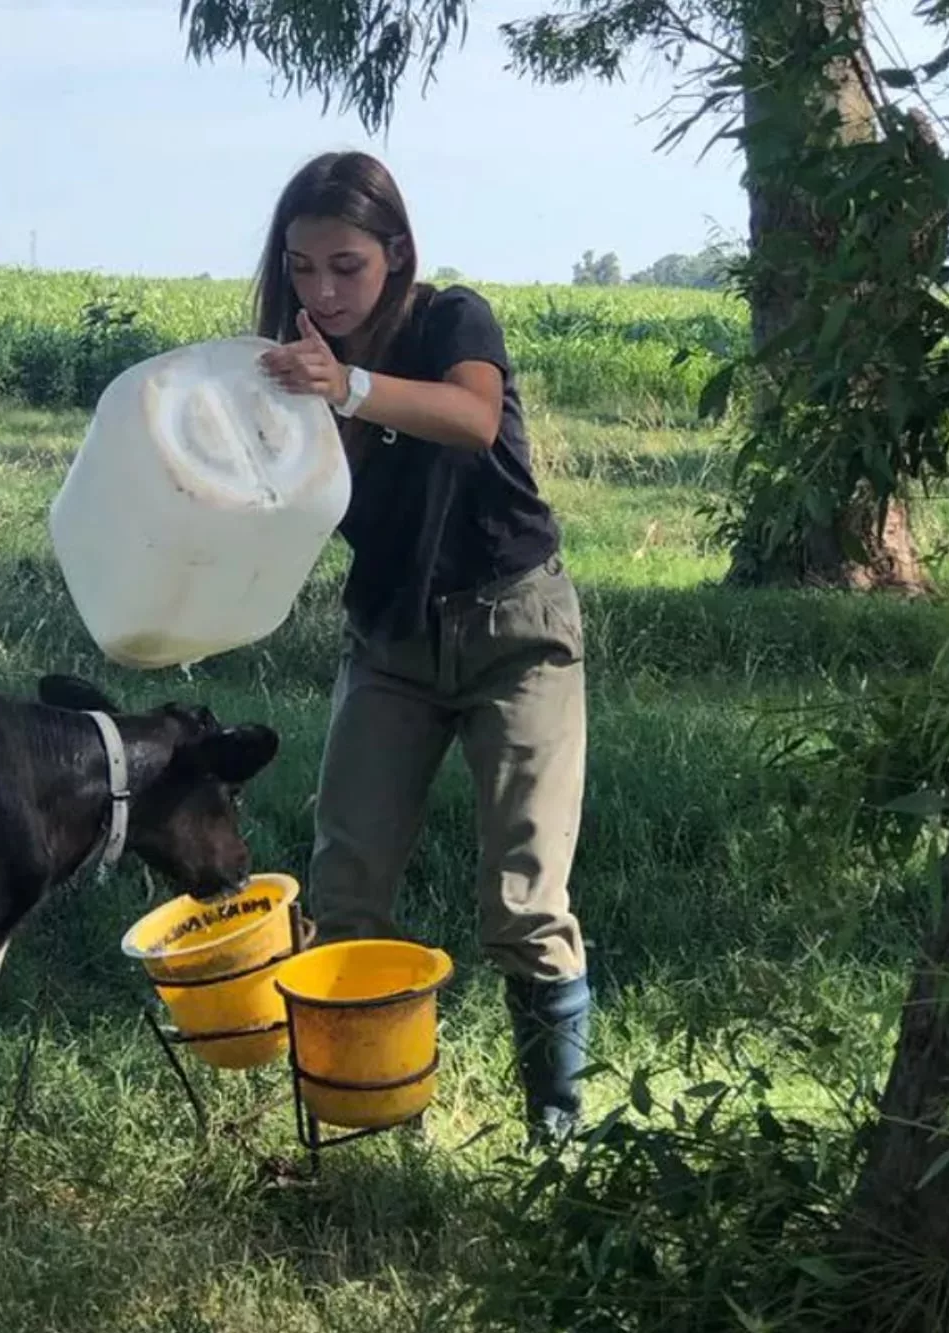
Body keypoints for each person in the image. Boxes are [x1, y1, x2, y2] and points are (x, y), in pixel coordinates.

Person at [254, 150, 592, 1146]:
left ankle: (555, 1134)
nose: (323, 290)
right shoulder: (292, 366)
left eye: (346, 266)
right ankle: (361, 1116)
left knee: (524, 904)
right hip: (389, 640)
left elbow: (471, 419)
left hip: (514, 630)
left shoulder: (451, 321)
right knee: (345, 892)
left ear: (395, 254)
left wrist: (348, 386)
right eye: (303, 266)